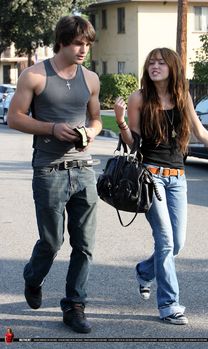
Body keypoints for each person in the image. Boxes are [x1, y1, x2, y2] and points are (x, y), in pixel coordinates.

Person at [114, 47, 208, 325]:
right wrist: (120, 120)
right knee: (165, 240)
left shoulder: (183, 98)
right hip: (150, 176)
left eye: (161, 62)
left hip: (177, 177)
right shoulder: (139, 99)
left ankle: (145, 271)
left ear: (172, 68)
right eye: (151, 62)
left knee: (176, 243)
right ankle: (169, 304)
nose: (155, 66)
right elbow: (133, 143)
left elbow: (200, 132)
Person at [8, 15, 102, 334]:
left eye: (87, 44)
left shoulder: (90, 78)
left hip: (83, 168)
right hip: (48, 170)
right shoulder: (34, 75)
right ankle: (33, 277)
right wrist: (51, 128)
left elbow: (97, 120)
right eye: (78, 43)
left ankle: (75, 306)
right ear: (61, 41)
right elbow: (14, 118)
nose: (83, 49)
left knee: (85, 244)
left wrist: (88, 133)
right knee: (52, 241)